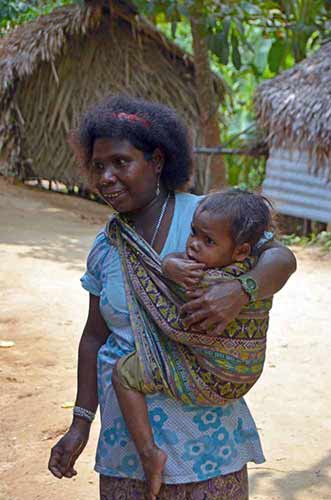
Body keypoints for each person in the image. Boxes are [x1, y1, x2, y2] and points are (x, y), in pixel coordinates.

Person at [48, 95, 296, 500]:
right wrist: (80, 422)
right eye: (98, 166)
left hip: (209, 441)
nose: (106, 177)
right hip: (128, 444)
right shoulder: (108, 246)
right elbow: (95, 337)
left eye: (121, 162)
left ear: (157, 161)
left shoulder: (207, 219)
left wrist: (240, 289)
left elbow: (281, 258)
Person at [111, 188, 274, 499]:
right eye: (193, 233)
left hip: (216, 375)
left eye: (208, 241)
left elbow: (169, 297)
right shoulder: (253, 273)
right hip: (242, 378)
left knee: (123, 373)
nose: (194, 244)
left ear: (241, 251)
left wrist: (167, 266)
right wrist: (172, 264)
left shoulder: (208, 282)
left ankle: (149, 452)